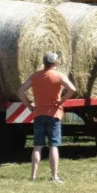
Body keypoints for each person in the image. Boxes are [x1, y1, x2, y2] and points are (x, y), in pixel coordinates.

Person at [17, 52, 76, 183]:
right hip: (54, 115)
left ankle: (33, 176)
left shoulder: (35, 76)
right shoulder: (59, 76)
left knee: (37, 146)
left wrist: (29, 106)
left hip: (39, 114)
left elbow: (20, 91)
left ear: (44, 63)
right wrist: (61, 101)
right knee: (53, 146)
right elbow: (72, 89)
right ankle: (54, 176)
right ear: (55, 63)